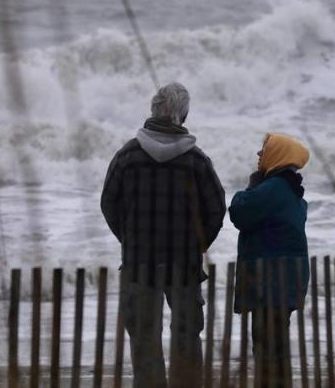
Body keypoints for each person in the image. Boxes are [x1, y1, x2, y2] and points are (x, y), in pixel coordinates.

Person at [101, 82, 226, 388]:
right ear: (183, 115)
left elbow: (108, 204)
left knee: (144, 341)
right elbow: (216, 210)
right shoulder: (196, 161)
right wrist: (196, 245)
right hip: (184, 267)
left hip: (139, 265)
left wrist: (130, 240)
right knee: (186, 339)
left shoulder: (127, 157)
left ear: (153, 110)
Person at [230, 133, 310, 388]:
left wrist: (253, 186)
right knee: (277, 346)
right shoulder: (290, 188)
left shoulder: (274, 188)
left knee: (266, 347)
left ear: (277, 155)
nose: (259, 155)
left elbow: (239, 212)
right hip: (284, 280)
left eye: (264, 150)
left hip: (271, 282)